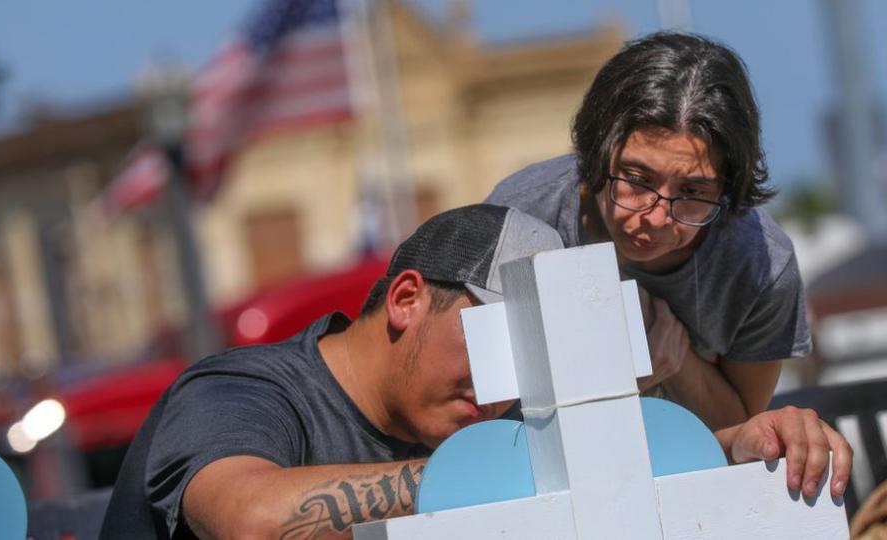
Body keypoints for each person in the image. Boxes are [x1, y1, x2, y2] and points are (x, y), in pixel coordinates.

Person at [101, 205, 850, 540]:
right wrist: (483, 476)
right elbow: (250, 521)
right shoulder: (239, 391)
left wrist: (743, 447)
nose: (508, 389)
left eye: (534, 361)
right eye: (500, 344)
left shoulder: (483, 416)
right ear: (406, 300)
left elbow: (599, 475)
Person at [487, 32, 809, 431]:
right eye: (637, 179)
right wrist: (623, 375)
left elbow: (740, 430)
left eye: (693, 192)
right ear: (596, 150)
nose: (655, 218)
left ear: (729, 187)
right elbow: (476, 411)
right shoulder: (519, 216)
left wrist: (675, 361)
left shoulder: (761, 265)